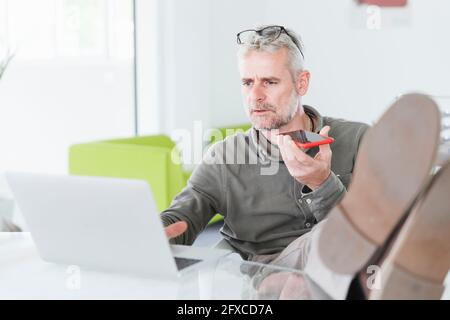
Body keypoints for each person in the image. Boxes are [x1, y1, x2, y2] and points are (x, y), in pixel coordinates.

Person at [162, 25, 369, 265]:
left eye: (269, 82)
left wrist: (322, 184)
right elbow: (179, 219)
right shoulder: (224, 157)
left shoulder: (358, 140)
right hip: (256, 287)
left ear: (301, 83)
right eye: (247, 82)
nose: (255, 96)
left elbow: (376, 237)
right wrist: (156, 235)